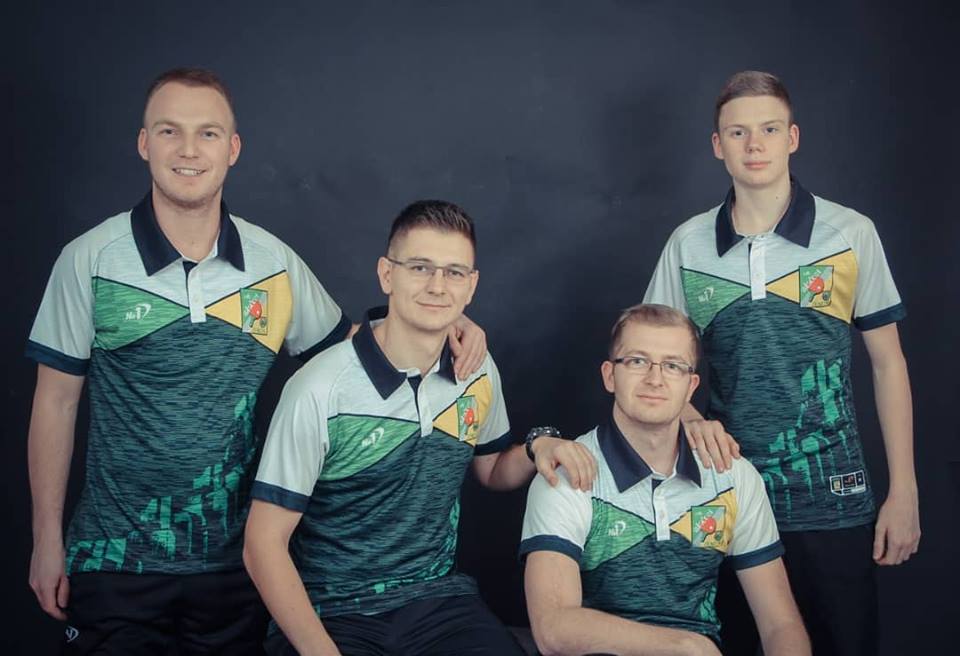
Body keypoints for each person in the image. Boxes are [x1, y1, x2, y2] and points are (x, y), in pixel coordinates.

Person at [25, 68, 487, 654]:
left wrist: (442, 319)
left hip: (237, 566)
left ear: (233, 148)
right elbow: (56, 402)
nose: (188, 150)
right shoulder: (89, 258)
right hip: (115, 559)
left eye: (208, 133)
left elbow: (353, 350)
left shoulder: (273, 262)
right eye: (169, 131)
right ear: (144, 143)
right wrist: (46, 538)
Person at [243, 200, 599, 656]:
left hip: (437, 603)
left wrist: (538, 446)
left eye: (454, 272)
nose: (437, 286)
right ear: (386, 275)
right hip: (333, 611)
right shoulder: (319, 388)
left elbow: (490, 469)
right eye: (420, 267)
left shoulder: (476, 369)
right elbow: (263, 544)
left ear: (471, 286)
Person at [643, 70, 920, 655]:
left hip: (833, 496)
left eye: (769, 129)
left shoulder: (851, 233)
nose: (754, 145)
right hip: (728, 493)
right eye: (737, 132)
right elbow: (650, 364)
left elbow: (889, 365)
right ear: (717, 145)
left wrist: (904, 490)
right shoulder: (688, 244)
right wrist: (690, 417)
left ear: (792, 137)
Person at [521, 303, 810, 655]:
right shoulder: (568, 472)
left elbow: (780, 624)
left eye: (672, 365)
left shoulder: (731, 475)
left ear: (691, 386)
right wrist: (688, 647)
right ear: (610, 376)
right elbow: (554, 629)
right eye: (637, 361)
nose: (655, 379)